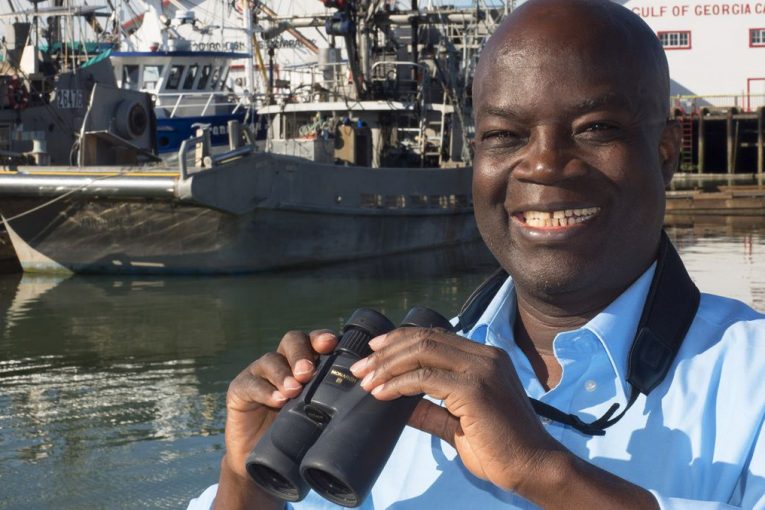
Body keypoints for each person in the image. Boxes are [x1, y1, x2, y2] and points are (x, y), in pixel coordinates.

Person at [189, 0, 765, 508]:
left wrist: (544, 472)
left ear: (665, 153)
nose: (542, 164)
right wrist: (247, 484)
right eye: (504, 136)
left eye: (594, 128)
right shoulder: (390, 385)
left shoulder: (750, 379)